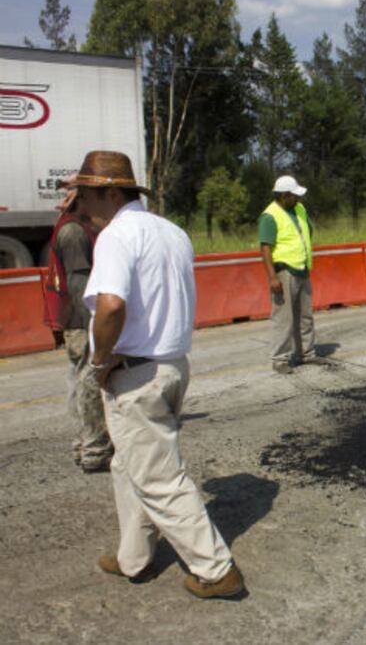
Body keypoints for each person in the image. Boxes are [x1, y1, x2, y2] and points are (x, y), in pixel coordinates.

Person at [78, 151, 244, 598]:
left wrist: (100, 360)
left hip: (135, 371)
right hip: (171, 365)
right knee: (128, 463)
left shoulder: (117, 236)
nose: (80, 204)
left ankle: (215, 569)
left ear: (111, 192)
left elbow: (111, 305)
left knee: (159, 477)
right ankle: (135, 557)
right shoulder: (172, 232)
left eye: (86, 194)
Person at [43, 175, 113, 472]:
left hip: (78, 317)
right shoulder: (73, 231)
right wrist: (97, 319)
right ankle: (95, 448)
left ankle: (86, 442)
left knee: (80, 381)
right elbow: (78, 282)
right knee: (89, 381)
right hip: (81, 319)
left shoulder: (80, 227)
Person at [258, 175, 316, 374]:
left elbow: (307, 232)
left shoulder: (299, 209)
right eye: (293, 196)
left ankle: (306, 353)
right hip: (284, 271)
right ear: (284, 196)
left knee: (305, 316)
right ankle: (280, 358)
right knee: (284, 318)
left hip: (302, 268)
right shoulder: (270, 216)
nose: (297, 199)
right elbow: (265, 248)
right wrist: (272, 277)